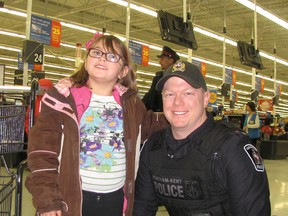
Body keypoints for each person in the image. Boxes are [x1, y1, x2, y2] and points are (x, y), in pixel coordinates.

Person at [25, 34, 168, 216]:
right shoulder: (61, 100)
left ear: (123, 71)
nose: (102, 58)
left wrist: (180, 114)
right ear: (86, 62)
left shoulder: (132, 105)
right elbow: (41, 154)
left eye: (112, 56)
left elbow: (149, 124)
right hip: (70, 199)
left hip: (116, 200)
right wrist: (47, 200)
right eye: (97, 52)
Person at [133, 61, 271, 216]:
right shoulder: (153, 147)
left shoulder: (232, 148)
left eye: (188, 93)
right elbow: (142, 206)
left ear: (206, 98)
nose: (178, 102)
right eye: (170, 94)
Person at [142, 46, 180, 112]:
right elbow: (151, 95)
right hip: (159, 116)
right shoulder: (158, 77)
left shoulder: (178, 78)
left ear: (170, 61)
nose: (160, 62)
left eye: (162, 59)